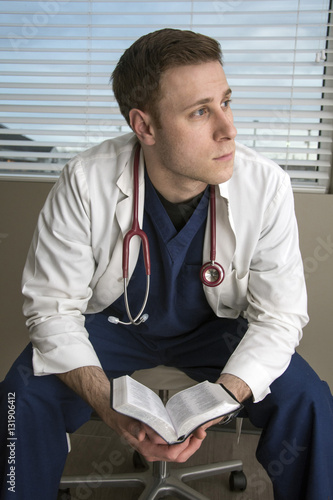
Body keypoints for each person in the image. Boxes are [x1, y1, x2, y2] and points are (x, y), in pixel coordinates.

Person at [0, 28, 332, 500]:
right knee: (20, 397)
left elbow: (279, 317)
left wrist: (226, 396)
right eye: (200, 111)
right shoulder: (85, 181)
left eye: (226, 101)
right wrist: (110, 409)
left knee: (308, 400)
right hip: (113, 327)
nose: (228, 128)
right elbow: (52, 311)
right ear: (146, 126)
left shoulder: (266, 185)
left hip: (215, 331)